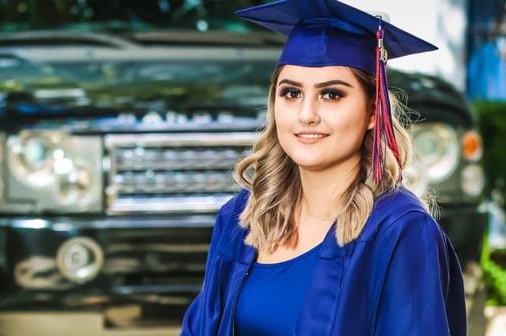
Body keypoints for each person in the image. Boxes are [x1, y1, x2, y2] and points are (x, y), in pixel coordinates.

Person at [180, 0, 467, 335]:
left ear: (374, 112)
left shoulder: (399, 231)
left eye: (331, 94)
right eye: (291, 93)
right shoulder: (241, 219)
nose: (306, 114)